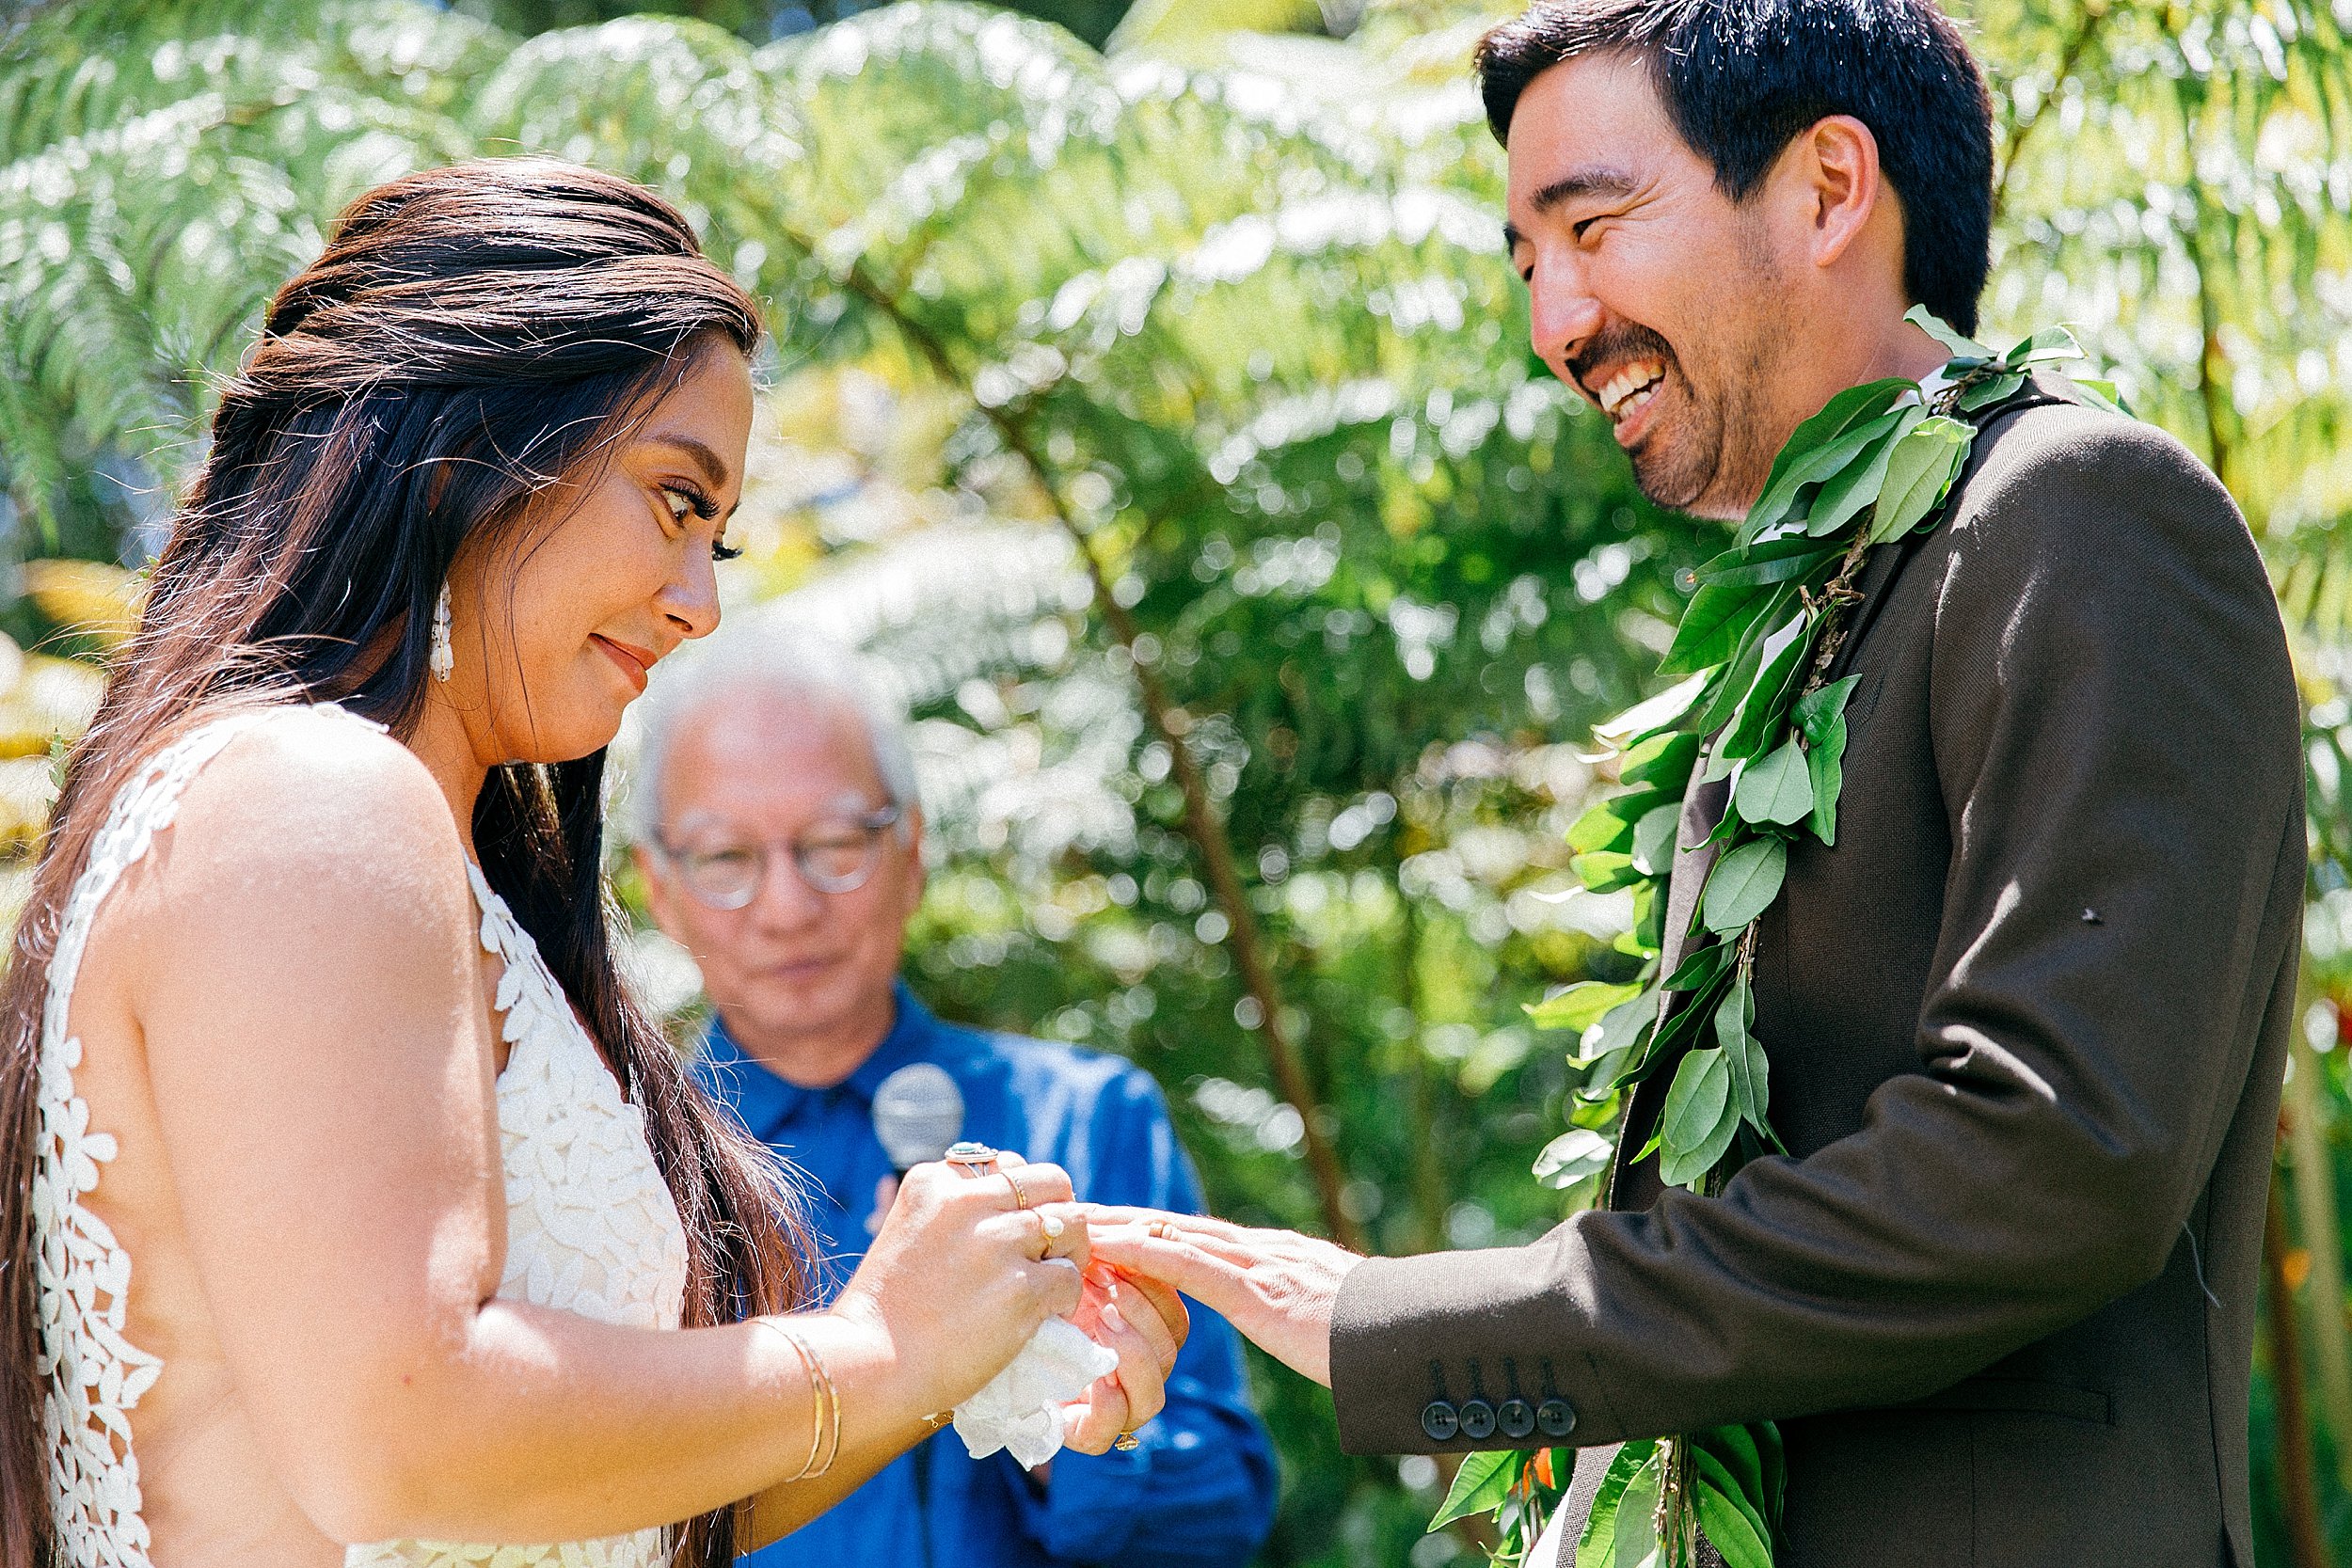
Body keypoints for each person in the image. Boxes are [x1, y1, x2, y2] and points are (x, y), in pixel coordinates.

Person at [1093, 2, 2305, 1564]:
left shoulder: (2081, 511)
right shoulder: (1818, 598)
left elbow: (2054, 1161)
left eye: (1593, 226)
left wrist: (1410, 1326)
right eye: (1527, 261)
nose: (1555, 319)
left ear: (1825, 190)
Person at [0, 158, 1181, 1568]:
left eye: (721, 532)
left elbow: (610, 1512)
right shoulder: (310, 793)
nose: (702, 602)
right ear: (469, 442)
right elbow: (404, 1435)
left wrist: (951, 1349)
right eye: (677, 501)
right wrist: (874, 1340)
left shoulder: (335, 817)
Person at [628, 633, 1279, 1568]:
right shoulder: (630, 1164)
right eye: (727, 857)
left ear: (911, 847)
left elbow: (1220, 1515)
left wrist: (1058, 1396)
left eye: (833, 845)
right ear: (661, 887)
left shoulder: (1084, 1120)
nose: (785, 906)